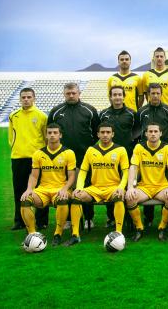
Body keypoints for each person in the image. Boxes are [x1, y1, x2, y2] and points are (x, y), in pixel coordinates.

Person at [67, 123, 129, 246]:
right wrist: (79, 188)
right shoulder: (91, 150)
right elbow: (83, 171)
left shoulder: (120, 150)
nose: (105, 135)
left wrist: (121, 188)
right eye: (102, 132)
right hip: (95, 188)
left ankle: (118, 233)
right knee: (76, 197)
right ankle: (75, 235)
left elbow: (126, 172)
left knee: (119, 196)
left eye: (108, 132)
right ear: (98, 134)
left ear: (113, 134)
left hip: (113, 188)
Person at [48, 82, 99, 227]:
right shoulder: (56, 111)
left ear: (79, 93)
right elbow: (50, 131)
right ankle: (69, 219)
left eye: (73, 93)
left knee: (86, 186)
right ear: (64, 94)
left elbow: (97, 132)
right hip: (63, 157)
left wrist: (89, 149)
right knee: (67, 186)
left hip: (84, 156)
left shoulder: (90, 110)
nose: (71, 96)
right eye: (68, 93)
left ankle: (88, 218)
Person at [19, 123, 76, 246]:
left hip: (60, 189)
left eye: (55, 133)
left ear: (60, 135)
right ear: (46, 135)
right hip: (43, 190)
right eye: (49, 133)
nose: (52, 135)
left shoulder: (69, 153)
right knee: (25, 200)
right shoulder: (38, 153)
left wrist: (65, 189)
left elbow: (72, 176)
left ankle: (58, 234)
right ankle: (32, 234)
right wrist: (29, 189)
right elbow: (34, 176)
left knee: (62, 199)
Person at [125, 123, 168, 242]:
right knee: (130, 198)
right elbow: (133, 167)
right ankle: (139, 228)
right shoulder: (139, 147)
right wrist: (130, 187)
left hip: (161, 187)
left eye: (155, 131)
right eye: (150, 131)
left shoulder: (167, 147)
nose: (153, 134)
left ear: (160, 133)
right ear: (146, 134)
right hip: (144, 187)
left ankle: (162, 228)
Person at [137, 82, 168, 226]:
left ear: (161, 94)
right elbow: (137, 130)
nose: (155, 96)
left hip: (165, 151)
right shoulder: (141, 111)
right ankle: (148, 218)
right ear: (148, 95)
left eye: (157, 93)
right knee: (146, 182)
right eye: (152, 93)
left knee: (166, 183)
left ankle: (166, 219)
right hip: (146, 151)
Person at [99, 85, 139, 227]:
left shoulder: (132, 114)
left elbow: (137, 133)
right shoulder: (103, 114)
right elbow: (100, 132)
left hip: (128, 154)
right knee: (110, 184)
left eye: (119, 94)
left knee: (128, 185)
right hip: (109, 156)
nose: (117, 97)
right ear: (110, 97)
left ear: (124, 96)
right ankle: (111, 217)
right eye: (114, 95)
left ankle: (130, 217)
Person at [9, 87, 48, 230]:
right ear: (20, 99)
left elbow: (45, 137)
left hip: (37, 159)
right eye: (23, 97)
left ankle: (41, 221)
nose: (26, 99)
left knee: (40, 190)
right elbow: (11, 136)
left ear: (34, 98)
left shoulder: (42, 116)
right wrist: (16, 148)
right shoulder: (13, 116)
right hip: (18, 158)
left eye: (29, 97)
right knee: (19, 190)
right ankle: (19, 220)